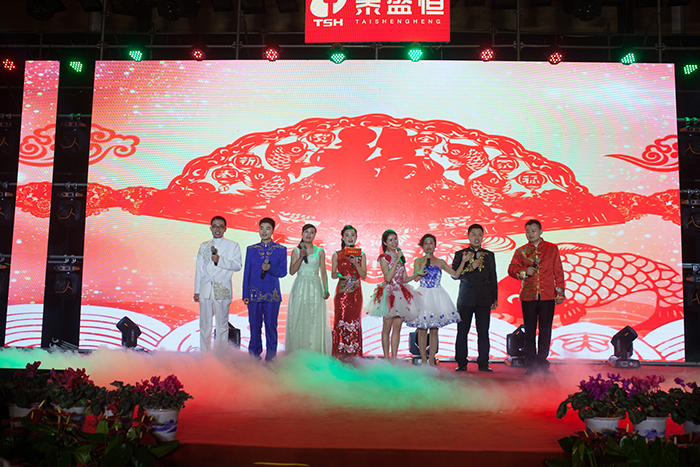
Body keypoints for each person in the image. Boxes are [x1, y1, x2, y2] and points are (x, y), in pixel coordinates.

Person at [507, 219, 565, 375]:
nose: (530, 234)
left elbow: (558, 272)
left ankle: (542, 363)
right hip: (528, 296)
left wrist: (559, 293)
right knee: (530, 331)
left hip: (547, 296)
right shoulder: (521, 251)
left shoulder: (552, 249)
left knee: (545, 331)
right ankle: (531, 364)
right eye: (527, 231)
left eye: (533, 231)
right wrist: (523, 272)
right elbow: (511, 269)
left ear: (540, 231)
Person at [406, 234, 467, 366]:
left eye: (431, 243)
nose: (429, 246)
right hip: (423, 295)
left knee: (434, 330)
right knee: (422, 330)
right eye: (426, 243)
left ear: (435, 245)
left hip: (437, 295)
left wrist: (463, 261)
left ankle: (431, 360)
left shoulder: (440, 262)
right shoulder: (418, 261)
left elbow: (456, 274)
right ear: (422, 246)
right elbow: (416, 279)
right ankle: (423, 361)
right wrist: (424, 264)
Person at [367, 229, 424, 361]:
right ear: (385, 243)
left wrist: (417, 274)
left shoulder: (401, 258)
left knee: (397, 327)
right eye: (391, 240)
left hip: (401, 294)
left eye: (395, 239)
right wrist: (397, 260)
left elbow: (405, 279)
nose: (394, 242)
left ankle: (394, 358)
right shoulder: (383, 258)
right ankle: (386, 358)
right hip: (389, 294)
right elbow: (388, 278)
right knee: (387, 327)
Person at [452, 224, 498, 372]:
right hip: (466, 299)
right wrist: (470, 267)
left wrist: (494, 298)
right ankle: (461, 362)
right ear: (468, 236)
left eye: (479, 234)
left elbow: (493, 277)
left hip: (484, 298)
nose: (476, 237)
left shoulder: (489, 255)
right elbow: (454, 276)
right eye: (473, 234)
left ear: (483, 236)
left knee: (483, 332)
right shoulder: (460, 254)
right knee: (462, 332)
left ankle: (483, 362)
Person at [194, 215, 243, 351]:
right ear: (210, 228)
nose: (217, 229)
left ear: (225, 229)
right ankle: (205, 355)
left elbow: (237, 265)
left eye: (220, 226)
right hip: (205, 290)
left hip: (222, 289)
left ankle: (220, 356)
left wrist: (219, 260)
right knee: (205, 325)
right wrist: (197, 291)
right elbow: (199, 269)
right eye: (215, 226)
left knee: (222, 325)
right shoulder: (204, 246)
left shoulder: (233, 246)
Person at [242, 217, 287, 361]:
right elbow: (247, 273)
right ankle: (254, 356)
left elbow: (283, 272)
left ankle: (271, 358)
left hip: (272, 295)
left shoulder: (281, 250)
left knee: (271, 328)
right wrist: (245, 294)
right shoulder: (251, 250)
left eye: (268, 228)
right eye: (261, 228)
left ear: (273, 230)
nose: (264, 231)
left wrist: (270, 268)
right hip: (254, 295)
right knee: (254, 327)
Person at [286, 223, 331, 354]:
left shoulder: (319, 251)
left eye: (312, 232)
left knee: (314, 318)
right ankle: (298, 352)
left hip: (315, 287)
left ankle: (314, 351)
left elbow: (323, 272)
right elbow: (292, 271)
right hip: (300, 286)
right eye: (306, 231)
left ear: (315, 235)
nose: (309, 234)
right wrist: (300, 258)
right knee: (299, 317)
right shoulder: (296, 251)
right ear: (302, 233)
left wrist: (326, 288)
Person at [331, 225, 367, 361]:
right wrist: (338, 274)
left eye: (353, 235)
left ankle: (354, 356)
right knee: (341, 321)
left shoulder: (361, 255)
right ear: (342, 237)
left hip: (355, 295)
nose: (350, 238)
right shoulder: (337, 254)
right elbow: (333, 274)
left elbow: (363, 275)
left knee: (354, 322)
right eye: (347, 235)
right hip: (342, 295)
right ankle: (340, 355)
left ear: (356, 237)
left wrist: (356, 263)